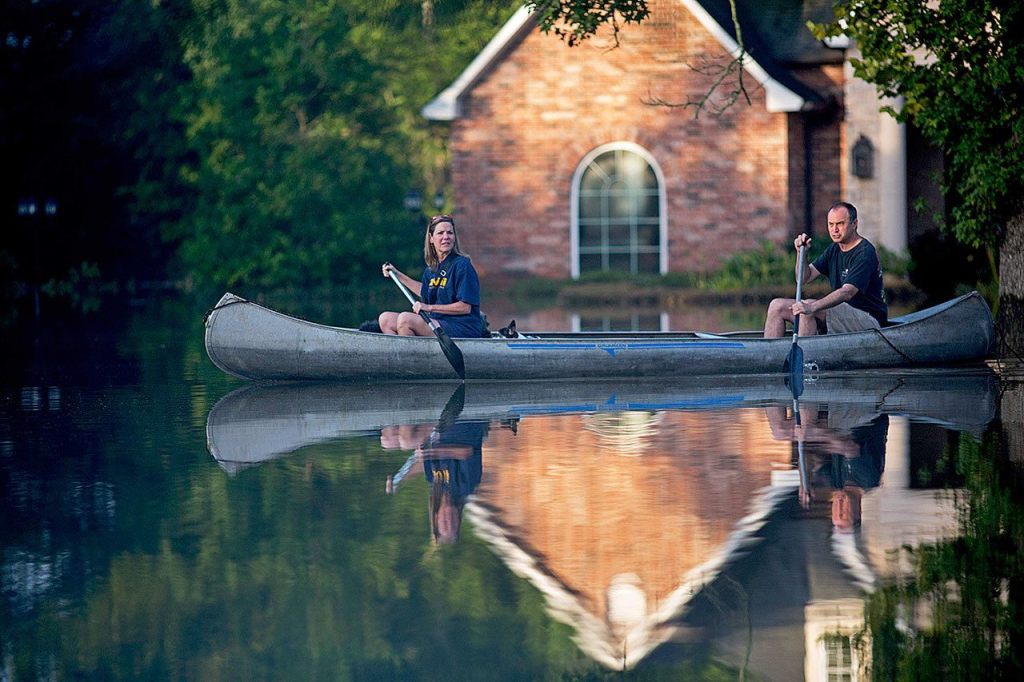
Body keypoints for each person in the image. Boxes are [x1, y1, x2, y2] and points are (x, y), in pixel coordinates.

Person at [764, 201, 888, 338]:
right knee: (777, 306)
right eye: (831, 224)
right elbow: (803, 278)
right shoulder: (834, 249)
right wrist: (801, 253)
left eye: (840, 224)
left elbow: (847, 292)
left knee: (809, 308)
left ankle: (805, 358)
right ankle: (769, 357)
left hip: (869, 320)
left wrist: (812, 307)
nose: (834, 230)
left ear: (854, 224)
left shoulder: (865, 253)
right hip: (840, 316)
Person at [379, 214, 485, 339]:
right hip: (439, 322)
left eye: (450, 233)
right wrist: (397, 275)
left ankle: (412, 357)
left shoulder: (462, 265)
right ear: (431, 238)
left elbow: (465, 307)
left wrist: (429, 307)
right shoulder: (431, 270)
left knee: (405, 319)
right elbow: (426, 290)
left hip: (462, 327)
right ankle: (400, 354)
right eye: (440, 233)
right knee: (385, 319)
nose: (446, 237)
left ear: (454, 237)